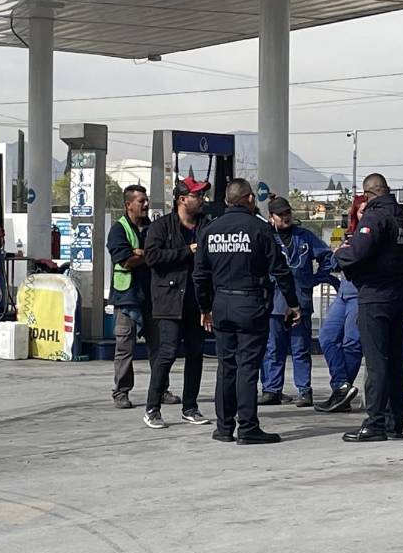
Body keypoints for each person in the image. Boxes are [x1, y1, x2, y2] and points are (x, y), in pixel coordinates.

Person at [194, 179, 302, 445]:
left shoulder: (210, 230)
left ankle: (223, 427)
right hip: (250, 303)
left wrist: (205, 307)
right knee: (248, 367)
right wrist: (292, 303)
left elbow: (200, 275)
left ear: (227, 200)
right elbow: (280, 270)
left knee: (226, 366)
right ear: (250, 199)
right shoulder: (259, 228)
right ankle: (248, 427)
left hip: (221, 303)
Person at [334, 173, 403, 442]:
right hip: (400, 296)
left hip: (375, 296)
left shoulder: (375, 217)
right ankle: (394, 423)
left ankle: (375, 423)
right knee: (395, 361)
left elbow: (357, 252)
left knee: (377, 362)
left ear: (368, 194)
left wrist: (339, 255)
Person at [141, 177, 212, 429]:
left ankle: (190, 407)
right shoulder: (161, 226)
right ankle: (152, 408)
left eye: (202, 195)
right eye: (197, 195)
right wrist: (187, 251)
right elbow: (152, 257)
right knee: (167, 353)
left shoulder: (206, 226)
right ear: (182, 199)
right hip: (169, 301)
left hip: (197, 302)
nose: (202, 199)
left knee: (195, 353)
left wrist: (208, 303)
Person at [258, 196, 335, 408]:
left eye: (288, 213)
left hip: (300, 301)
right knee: (273, 348)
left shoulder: (304, 236)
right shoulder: (266, 237)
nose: (285, 217)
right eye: (280, 214)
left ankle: (304, 390)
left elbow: (327, 257)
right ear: (271, 217)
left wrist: (315, 279)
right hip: (274, 302)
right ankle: (271, 390)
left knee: (300, 348)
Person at [316, 195, 366, 413]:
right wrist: (339, 253)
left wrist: (345, 255)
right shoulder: (350, 234)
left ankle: (341, 393)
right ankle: (341, 385)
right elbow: (333, 262)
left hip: (361, 294)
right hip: (344, 292)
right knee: (327, 336)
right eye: (361, 211)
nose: (365, 215)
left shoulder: (373, 235)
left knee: (352, 342)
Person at [107, 184, 155, 409]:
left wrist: (140, 253)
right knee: (125, 347)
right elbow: (125, 260)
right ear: (128, 205)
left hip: (151, 296)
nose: (146, 204)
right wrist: (148, 254)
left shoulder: (152, 228)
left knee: (159, 347)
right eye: (141, 201)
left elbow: (161, 251)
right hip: (127, 298)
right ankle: (121, 392)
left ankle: (160, 389)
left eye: (146, 200)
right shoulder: (119, 230)